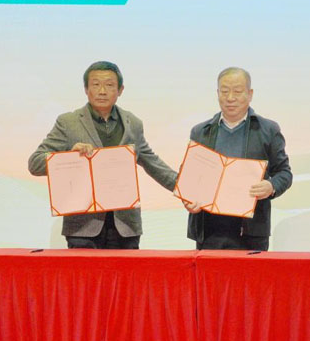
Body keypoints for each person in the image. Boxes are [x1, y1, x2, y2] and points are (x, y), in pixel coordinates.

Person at [29, 61, 177, 249]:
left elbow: (154, 165)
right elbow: (35, 163)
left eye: (109, 85)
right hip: (83, 227)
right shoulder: (68, 122)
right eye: (96, 84)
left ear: (120, 90)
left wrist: (189, 189)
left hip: (125, 227)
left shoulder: (133, 124)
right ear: (86, 89)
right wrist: (69, 157)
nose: (102, 91)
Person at [184, 67, 292, 251]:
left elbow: (284, 173)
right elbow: (190, 177)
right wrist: (188, 197)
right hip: (209, 230)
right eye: (224, 91)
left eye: (237, 91)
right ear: (217, 93)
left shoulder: (268, 130)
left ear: (250, 94)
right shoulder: (201, 132)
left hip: (252, 230)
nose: (230, 98)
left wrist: (271, 186)